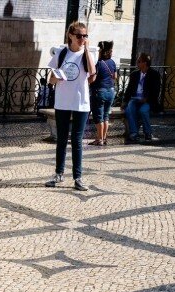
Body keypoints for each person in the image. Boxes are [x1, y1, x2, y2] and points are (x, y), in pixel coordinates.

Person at [45, 21, 97, 191]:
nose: (82, 39)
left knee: (77, 140)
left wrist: (87, 49)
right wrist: (57, 77)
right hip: (62, 101)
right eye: (79, 36)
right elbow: (51, 80)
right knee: (61, 138)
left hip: (81, 102)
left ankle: (78, 177)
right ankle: (58, 173)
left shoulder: (87, 54)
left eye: (85, 36)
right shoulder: (61, 53)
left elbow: (92, 75)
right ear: (70, 36)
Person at [122, 53, 161, 144]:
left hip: (148, 100)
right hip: (134, 98)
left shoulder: (154, 74)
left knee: (143, 111)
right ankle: (134, 133)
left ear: (145, 63)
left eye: (139, 61)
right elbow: (129, 89)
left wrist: (146, 99)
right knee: (129, 109)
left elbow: (156, 91)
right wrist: (124, 101)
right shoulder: (134, 74)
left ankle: (148, 132)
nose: (137, 63)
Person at [89, 41, 117, 146]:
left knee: (98, 116)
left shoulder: (99, 63)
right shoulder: (112, 62)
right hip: (111, 91)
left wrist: (85, 81)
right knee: (106, 116)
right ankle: (104, 138)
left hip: (99, 92)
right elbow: (115, 76)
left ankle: (99, 139)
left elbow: (93, 79)